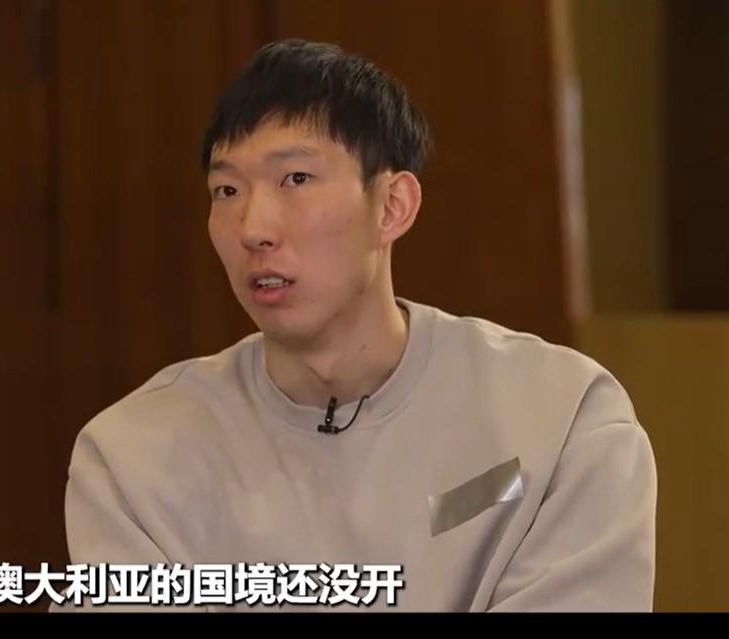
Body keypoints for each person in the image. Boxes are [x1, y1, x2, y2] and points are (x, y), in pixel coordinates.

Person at [52, 39, 657, 612]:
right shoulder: (134, 459)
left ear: (392, 206)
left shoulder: (560, 418)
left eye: (296, 179)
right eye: (227, 189)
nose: (253, 228)